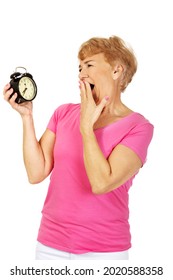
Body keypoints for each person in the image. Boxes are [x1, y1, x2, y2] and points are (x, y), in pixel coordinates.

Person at [3, 35, 154, 260]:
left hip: (105, 251)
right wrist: (27, 117)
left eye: (89, 65)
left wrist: (86, 127)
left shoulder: (138, 127)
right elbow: (36, 173)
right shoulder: (63, 113)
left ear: (116, 71)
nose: (81, 73)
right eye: (79, 67)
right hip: (50, 245)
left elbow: (102, 183)